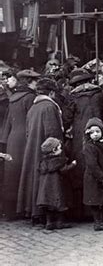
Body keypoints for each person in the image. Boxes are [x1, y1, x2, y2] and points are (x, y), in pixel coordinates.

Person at [17, 77, 63, 224]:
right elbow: (52, 131)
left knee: (35, 179)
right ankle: (47, 214)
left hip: (33, 147)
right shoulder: (49, 107)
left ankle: (35, 211)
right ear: (51, 93)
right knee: (48, 183)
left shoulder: (33, 107)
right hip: (46, 150)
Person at [63, 68, 103, 220]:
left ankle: (81, 211)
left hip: (80, 137)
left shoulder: (72, 97)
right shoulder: (99, 94)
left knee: (81, 170)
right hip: (99, 132)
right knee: (99, 166)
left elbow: (67, 118)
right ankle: (100, 210)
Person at [1, 69, 39, 219]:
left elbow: (8, 122)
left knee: (11, 174)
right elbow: (32, 120)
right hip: (26, 139)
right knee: (26, 172)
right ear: (29, 82)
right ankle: (24, 209)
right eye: (35, 81)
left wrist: (5, 141)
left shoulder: (13, 98)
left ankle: (10, 211)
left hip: (12, 139)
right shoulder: (30, 97)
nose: (37, 84)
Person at [36, 137, 76, 230]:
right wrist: (73, 165)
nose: (61, 150)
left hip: (45, 190)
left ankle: (49, 223)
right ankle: (59, 222)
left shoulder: (43, 162)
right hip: (57, 188)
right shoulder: (58, 161)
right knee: (59, 205)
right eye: (59, 148)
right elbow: (64, 170)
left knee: (49, 207)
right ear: (54, 150)